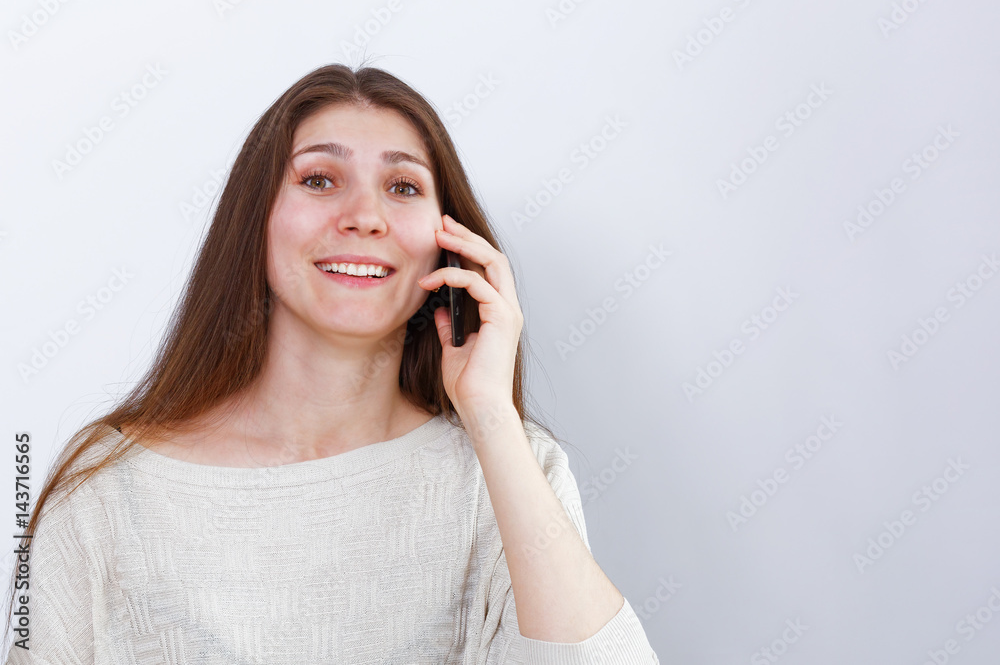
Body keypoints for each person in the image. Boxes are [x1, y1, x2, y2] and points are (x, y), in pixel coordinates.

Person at [2, 62, 658, 664]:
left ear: (447, 245)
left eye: (403, 186)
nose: (364, 215)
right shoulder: (103, 489)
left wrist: (488, 413)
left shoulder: (510, 467)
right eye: (319, 179)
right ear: (254, 219)